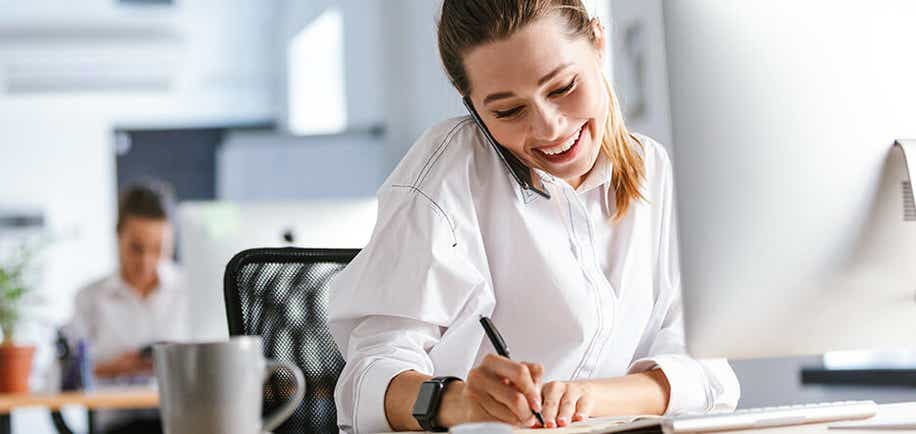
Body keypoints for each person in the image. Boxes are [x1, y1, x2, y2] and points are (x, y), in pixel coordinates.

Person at [328, 1, 741, 433]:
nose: (549, 129)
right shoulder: (447, 176)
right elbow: (368, 381)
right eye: (508, 111)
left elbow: (708, 373)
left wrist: (590, 397)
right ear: (471, 104)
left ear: (598, 43)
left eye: (562, 87)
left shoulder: (654, 171)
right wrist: (461, 402)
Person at [67, 183, 189, 434]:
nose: (146, 262)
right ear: (118, 236)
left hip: (182, 421)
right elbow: (68, 375)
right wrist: (115, 367)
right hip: (118, 426)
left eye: (158, 249)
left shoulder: (190, 290)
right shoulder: (90, 297)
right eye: (136, 248)